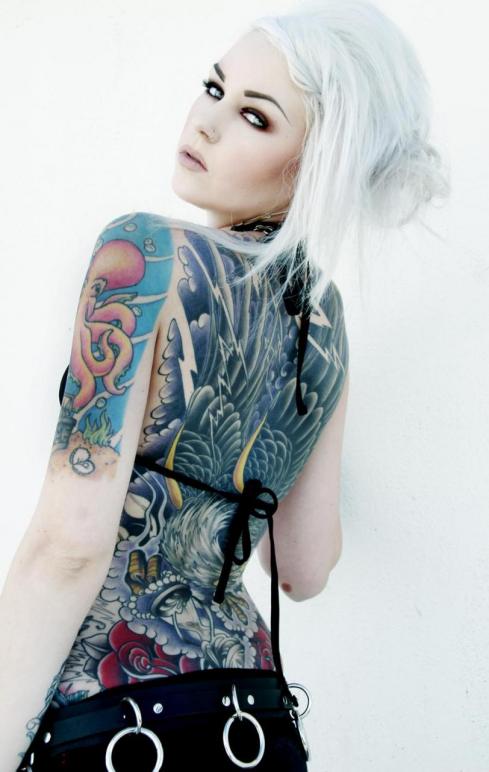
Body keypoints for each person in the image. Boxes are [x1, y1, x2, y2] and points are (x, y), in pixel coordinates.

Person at [1, 1, 449, 770]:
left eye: (255, 116)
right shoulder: (322, 317)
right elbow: (304, 566)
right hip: (252, 723)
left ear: (315, 163)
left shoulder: (142, 255)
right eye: (214, 89)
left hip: (114, 724)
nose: (205, 123)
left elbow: (67, 546)